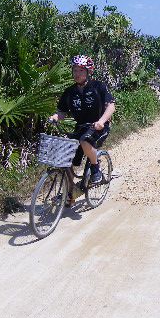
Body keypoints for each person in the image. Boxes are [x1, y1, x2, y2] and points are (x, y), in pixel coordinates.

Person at [49, 55, 115, 206]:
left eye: (80, 70)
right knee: (65, 158)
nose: (77, 73)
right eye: (75, 70)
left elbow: (111, 106)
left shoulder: (99, 86)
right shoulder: (69, 92)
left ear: (88, 72)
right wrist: (55, 117)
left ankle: (95, 167)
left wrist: (102, 121)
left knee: (85, 141)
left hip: (99, 127)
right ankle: (70, 194)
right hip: (80, 127)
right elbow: (61, 113)